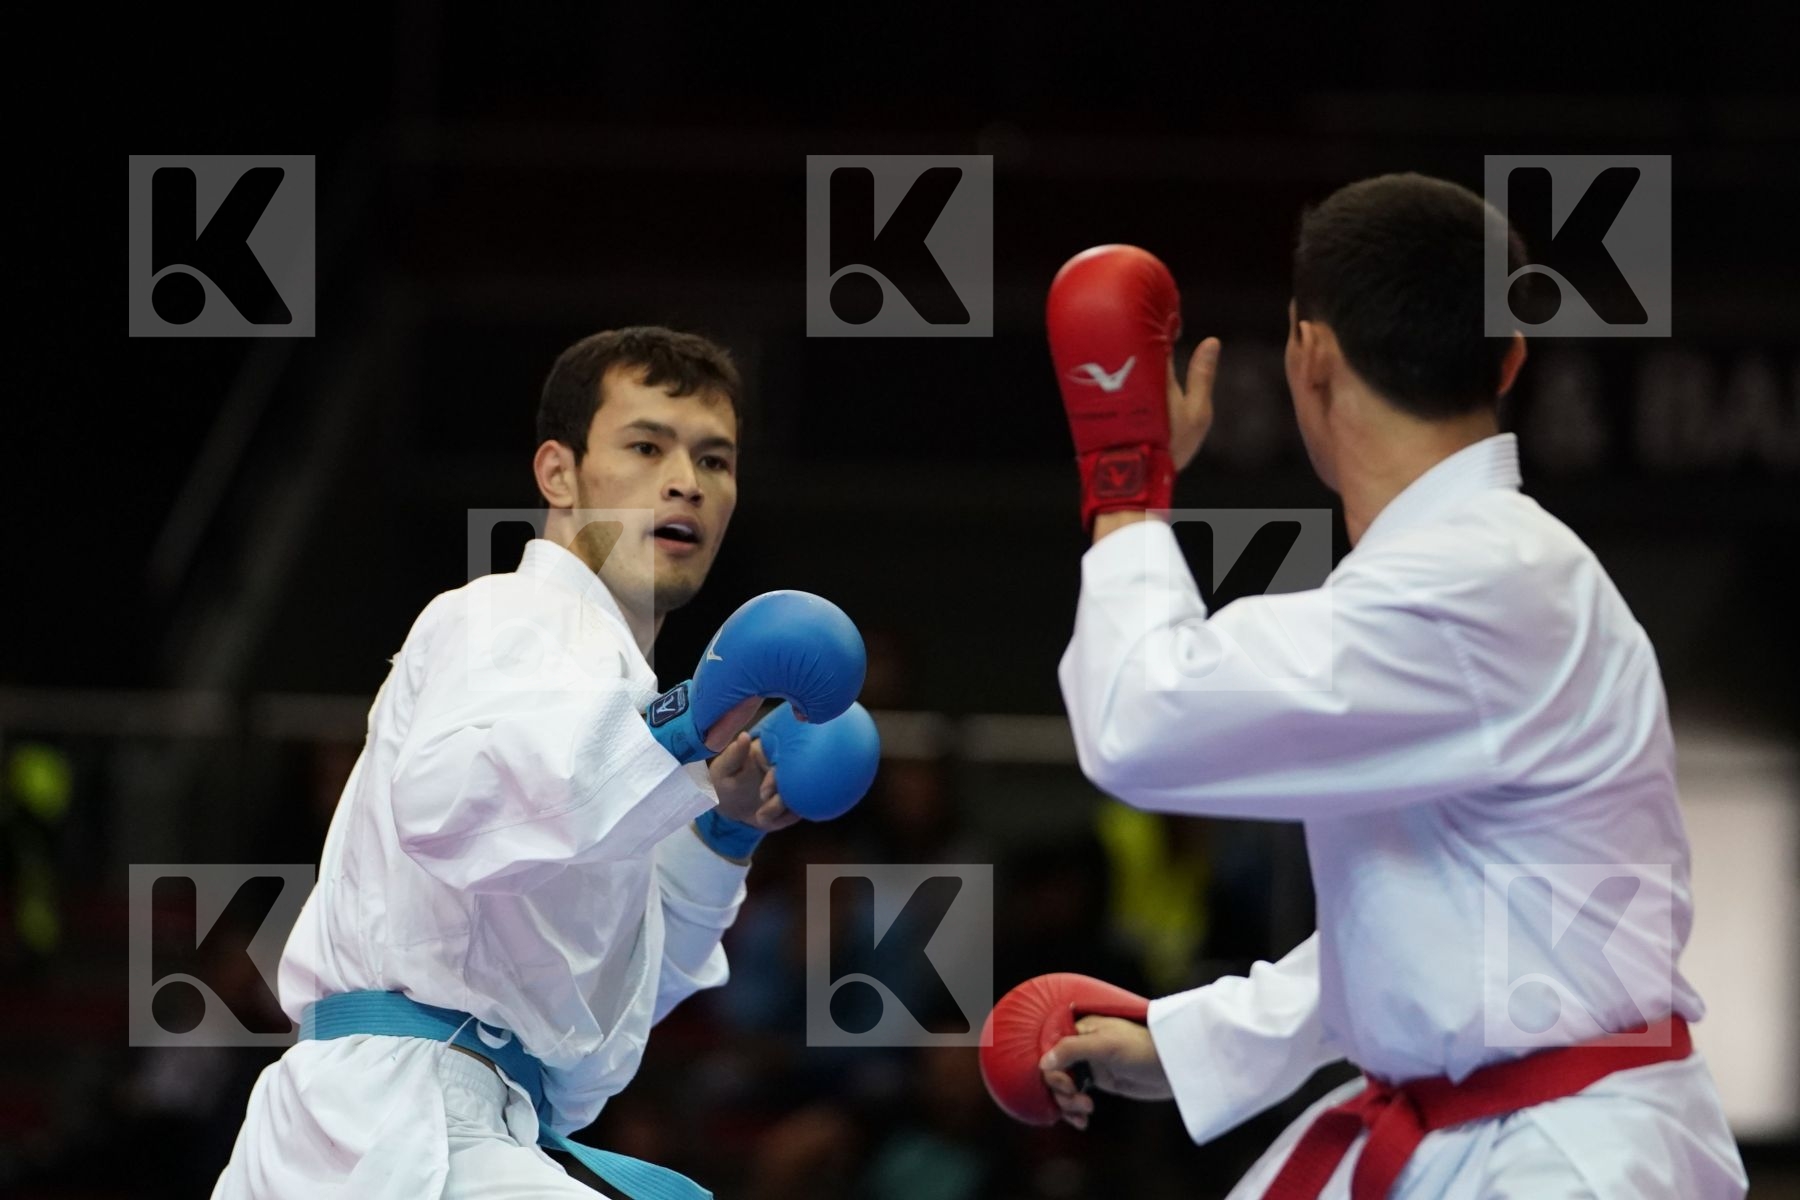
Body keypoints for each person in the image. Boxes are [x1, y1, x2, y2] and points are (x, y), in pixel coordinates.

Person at [1029, 176, 1748, 1197]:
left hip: (1560, 1157)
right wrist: (1199, 1039)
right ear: (1512, 359)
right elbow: (1430, 915)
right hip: (1485, 1128)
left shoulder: (1471, 585)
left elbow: (1138, 723)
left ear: (1309, 354)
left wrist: (1126, 481)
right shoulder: (1480, 573)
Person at [212, 326, 867, 1199]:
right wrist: (682, 727)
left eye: (715, 459)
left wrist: (723, 835)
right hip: (390, 1124)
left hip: (453, 1127)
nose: (687, 480)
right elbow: (447, 809)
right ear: (559, 474)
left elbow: (615, 1001)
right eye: (646, 446)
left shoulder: (611, 712)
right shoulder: (503, 617)